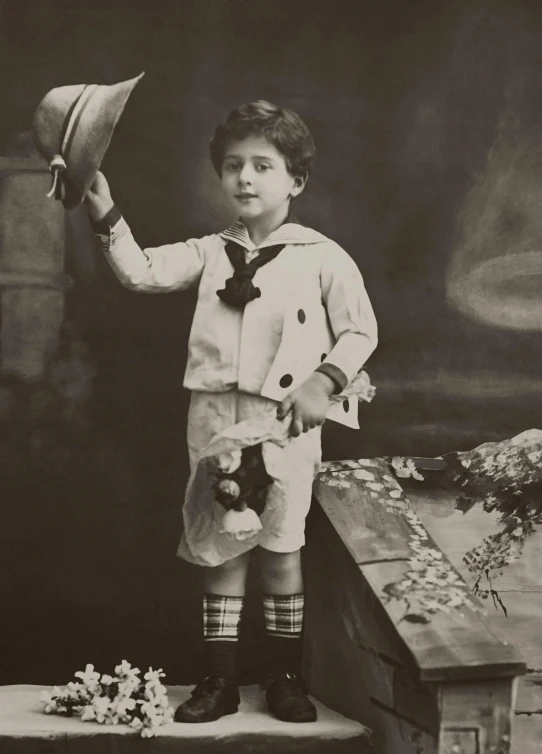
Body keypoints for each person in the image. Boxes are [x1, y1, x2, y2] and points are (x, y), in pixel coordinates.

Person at [84, 100, 378, 724]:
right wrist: (103, 208)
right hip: (215, 420)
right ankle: (218, 682)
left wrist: (324, 382)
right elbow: (140, 272)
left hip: (284, 424)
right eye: (233, 165)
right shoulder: (210, 252)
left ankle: (284, 679)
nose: (245, 178)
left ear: (295, 180)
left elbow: (359, 333)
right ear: (219, 175)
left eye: (263, 166)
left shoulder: (324, 256)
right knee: (220, 548)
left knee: (280, 548)